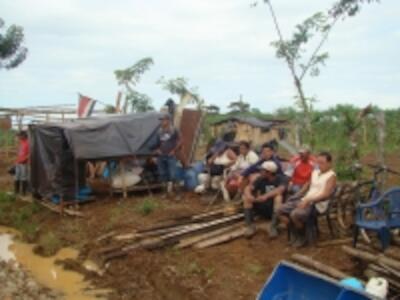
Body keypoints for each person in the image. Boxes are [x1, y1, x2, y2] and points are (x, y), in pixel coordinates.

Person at [278, 152, 336, 248]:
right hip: (305, 200)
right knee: (280, 210)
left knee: (295, 214)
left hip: (317, 204)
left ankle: (301, 237)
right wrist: (296, 195)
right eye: (318, 163)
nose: (320, 165)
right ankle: (296, 231)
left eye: (323, 163)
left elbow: (325, 195)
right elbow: (306, 185)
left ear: (330, 163)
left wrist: (308, 201)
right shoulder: (315, 172)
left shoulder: (331, 176)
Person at [242, 161, 288, 238]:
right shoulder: (260, 179)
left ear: (269, 172)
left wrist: (265, 196)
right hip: (263, 206)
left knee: (278, 197)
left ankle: (273, 226)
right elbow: (248, 188)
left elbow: (280, 189)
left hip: (275, 209)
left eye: (262, 170)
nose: (260, 172)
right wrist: (249, 195)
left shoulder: (281, 178)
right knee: (246, 198)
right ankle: (250, 226)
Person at [155, 114, 182, 197]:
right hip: (161, 156)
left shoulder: (174, 130)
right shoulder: (159, 131)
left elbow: (181, 140)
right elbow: (157, 144)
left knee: (173, 174)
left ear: (168, 120)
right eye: (161, 120)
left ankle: (178, 194)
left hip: (171, 156)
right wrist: (157, 150)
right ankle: (165, 193)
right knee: (162, 174)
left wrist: (174, 151)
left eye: (163, 120)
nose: (162, 122)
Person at [14, 131, 30, 196]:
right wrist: (16, 161)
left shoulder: (28, 143)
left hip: (24, 163)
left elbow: (29, 154)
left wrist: (25, 159)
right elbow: (19, 153)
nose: (19, 137)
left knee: (24, 177)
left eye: (20, 136)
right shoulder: (21, 143)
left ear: (24, 136)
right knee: (17, 176)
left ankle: (23, 193)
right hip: (18, 162)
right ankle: (16, 191)